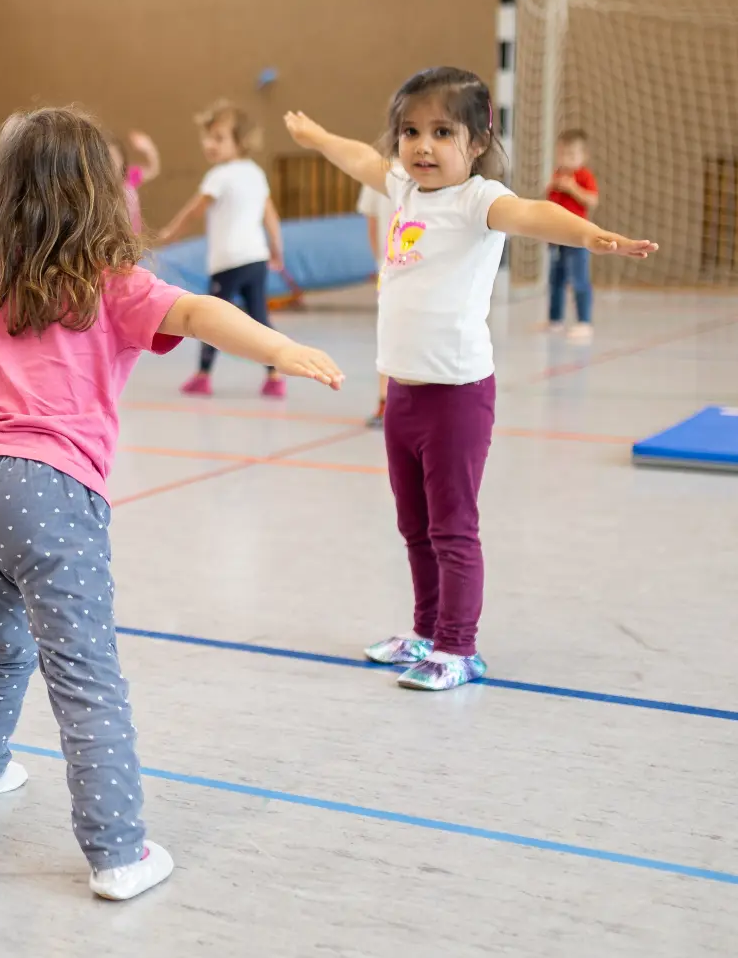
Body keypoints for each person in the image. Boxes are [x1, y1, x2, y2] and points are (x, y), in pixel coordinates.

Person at [0, 107, 343, 897]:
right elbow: (197, 311)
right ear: (102, 199)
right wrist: (278, 345)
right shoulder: (113, 284)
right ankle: (118, 851)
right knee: (85, 670)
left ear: (2, 195)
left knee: (2, 629)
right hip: (46, 490)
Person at [284, 68, 655, 692]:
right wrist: (320, 135)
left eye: (441, 132)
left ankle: (461, 646)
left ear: (478, 141)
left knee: (452, 527)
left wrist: (591, 235)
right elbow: (357, 159)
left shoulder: (478, 200)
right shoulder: (403, 189)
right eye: (410, 131)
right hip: (401, 391)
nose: (421, 146)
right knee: (413, 525)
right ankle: (427, 631)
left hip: (455, 395)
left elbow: (536, 213)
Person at [157, 100, 287, 399]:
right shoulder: (255, 173)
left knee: (211, 317)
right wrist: (277, 251)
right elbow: (271, 216)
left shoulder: (219, 175)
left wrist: (170, 233)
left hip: (229, 262)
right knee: (259, 316)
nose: (209, 144)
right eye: (207, 137)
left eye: (218, 138)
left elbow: (194, 210)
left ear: (239, 142)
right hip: (256, 258)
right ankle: (275, 375)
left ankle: (202, 376)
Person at [544, 129, 600, 342]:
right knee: (555, 280)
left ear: (583, 157)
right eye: (562, 154)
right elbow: (549, 207)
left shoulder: (584, 176)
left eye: (572, 155)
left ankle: (584, 321)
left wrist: (574, 188)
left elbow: (592, 200)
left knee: (578, 279)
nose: (566, 159)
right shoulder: (557, 175)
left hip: (576, 237)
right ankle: (555, 320)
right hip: (556, 237)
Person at [357, 175, 397, 427]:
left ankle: (386, 403)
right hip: (397, 270)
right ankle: (388, 403)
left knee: (390, 338)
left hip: (391, 268)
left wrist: (379, 261)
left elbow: (372, 224)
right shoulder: (381, 172)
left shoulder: (379, 172)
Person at [109, 130, 162, 233]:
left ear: (122, 158)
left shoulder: (129, 178)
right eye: (108, 158)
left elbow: (153, 169)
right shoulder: (100, 186)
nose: (112, 163)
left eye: (115, 157)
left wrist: (149, 148)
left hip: (134, 239)